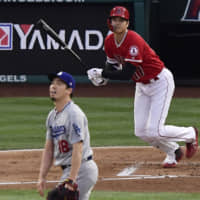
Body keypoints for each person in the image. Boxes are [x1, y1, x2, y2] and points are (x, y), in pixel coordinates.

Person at [87, 6, 198, 168]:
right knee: (140, 131)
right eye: (114, 19)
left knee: (155, 131)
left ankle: (190, 134)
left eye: (121, 20)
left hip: (160, 82)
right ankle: (174, 151)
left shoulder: (133, 40)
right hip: (142, 85)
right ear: (110, 21)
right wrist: (102, 78)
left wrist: (103, 73)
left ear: (127, 23)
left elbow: (126, 74)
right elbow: (111, 67)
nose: (117, 23)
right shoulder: (109, 41)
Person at [37, 71, 98, 200]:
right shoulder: (51, 116)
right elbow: (49, 149)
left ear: (69, 90)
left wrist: (71, 180)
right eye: (52, 83)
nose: (53, 86)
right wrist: (42, 177)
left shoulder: (73, 114)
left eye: (59, 84)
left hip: (82, 170)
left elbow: (78, 149)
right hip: (70, 170)